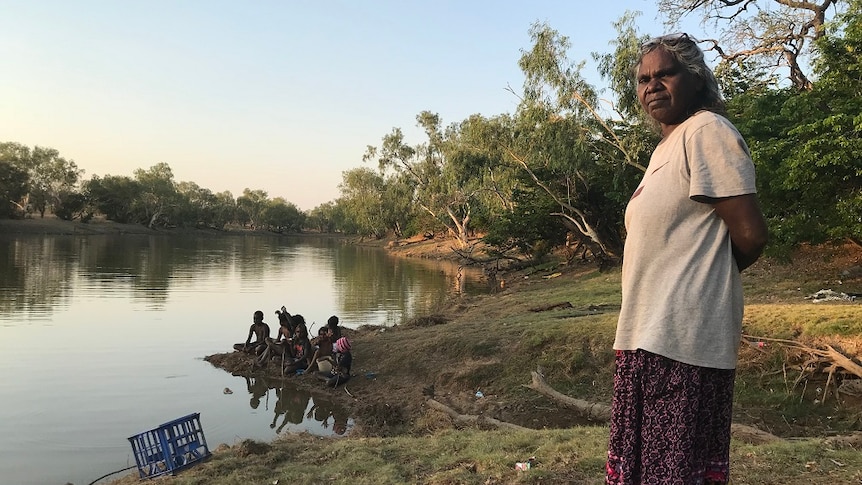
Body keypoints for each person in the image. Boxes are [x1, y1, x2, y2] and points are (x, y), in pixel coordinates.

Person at [606, 33, 768, 485]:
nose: (651, 85)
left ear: (695, 78)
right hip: (645, 336)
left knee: (671, 474)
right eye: (643, 79)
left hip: (682, 341)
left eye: (664, 73)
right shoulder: (665, 148)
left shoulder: (706, 132)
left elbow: (751, 235)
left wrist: (701, 284)